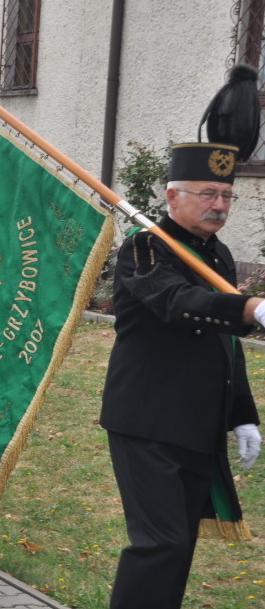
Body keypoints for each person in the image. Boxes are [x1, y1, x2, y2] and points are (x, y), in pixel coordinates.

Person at [100, 142, 265, 609]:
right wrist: (248, 307)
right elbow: (176, 302)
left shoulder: (217, 254)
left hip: (196, 422)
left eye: (226, 195)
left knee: (179, 547)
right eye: (207, 193)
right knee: (161, 543)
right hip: (147, 420)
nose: (219, 205)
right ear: (173, 197)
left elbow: (224, 344)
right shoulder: (146, 247)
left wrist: (241, 414)